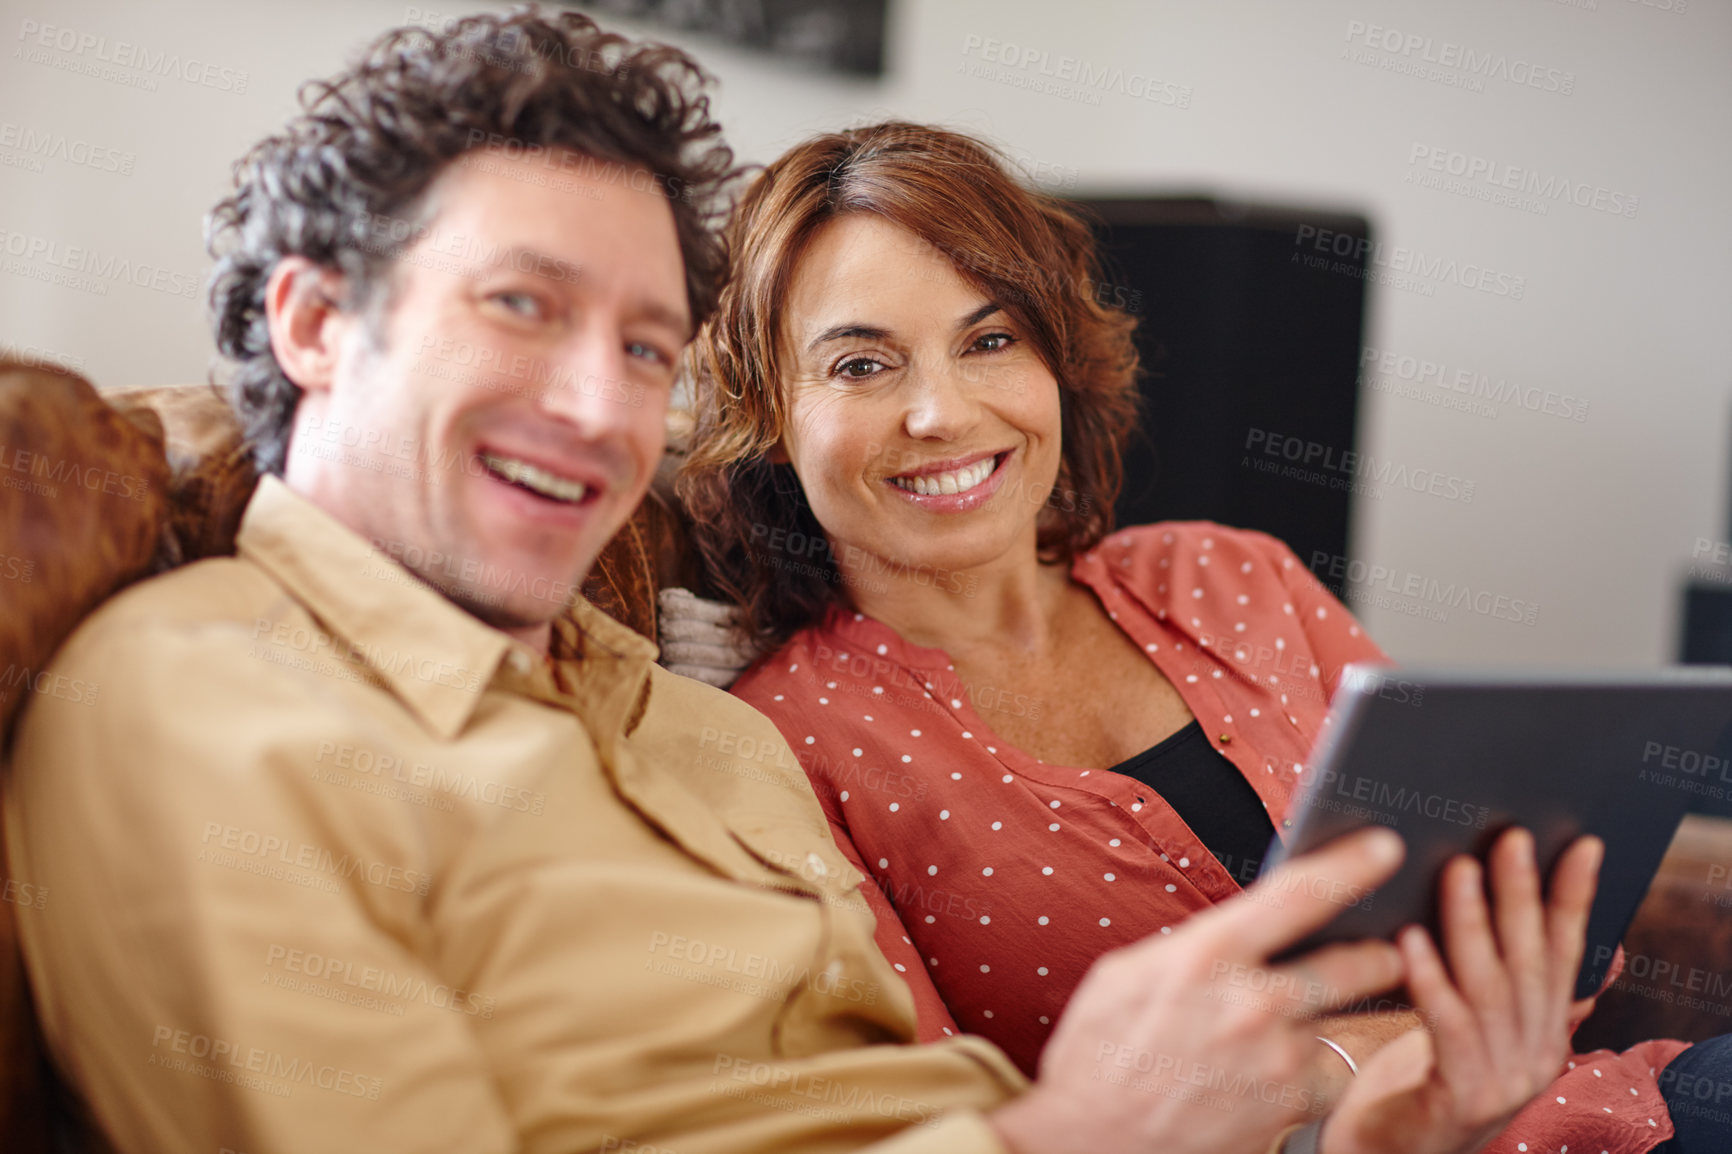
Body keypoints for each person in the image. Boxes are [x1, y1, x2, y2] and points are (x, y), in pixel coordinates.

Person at [4, 12, 1606, 1154]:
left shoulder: (700, 733)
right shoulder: (203, 702)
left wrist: (1389, 1126)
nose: (599, 402)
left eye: (643, 346)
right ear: (312, 326)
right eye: (520, 304)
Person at [676, 120, 1699, 1151]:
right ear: (768, 410)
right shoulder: (777, 751)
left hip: (1627, 1113)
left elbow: (1530, 919)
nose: (941, 411)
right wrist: (1349, 1091)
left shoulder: (1230, 574)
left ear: (1054, 363)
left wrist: (1323, 1068)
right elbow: (942, 1124)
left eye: (989, 340)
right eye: (861, 364)